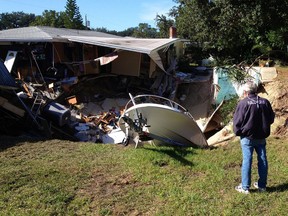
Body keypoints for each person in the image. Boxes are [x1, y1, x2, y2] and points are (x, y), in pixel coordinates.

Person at [233, 81, 275, 194]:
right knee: (262, 160)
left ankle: (245, 187)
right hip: (261, 137)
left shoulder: (243, 103)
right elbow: (271, 118)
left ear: (246, 92)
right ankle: (262, 186)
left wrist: (238, 132)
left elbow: (237, 121)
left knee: (247, 160)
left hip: (247, 137)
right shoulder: (265, 102)